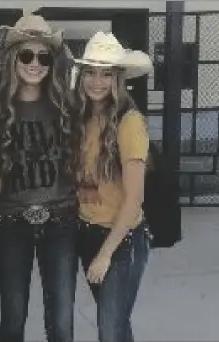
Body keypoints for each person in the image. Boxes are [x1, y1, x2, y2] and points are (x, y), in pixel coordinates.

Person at [0, 14, 78, 342]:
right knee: (13, 315)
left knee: (62, 319)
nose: (35, 64)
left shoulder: (68, 107)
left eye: (44, 56)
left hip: (62, 223)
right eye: (26, 55)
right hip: (10, 225)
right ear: (13, 60)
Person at [70, 31, 154, 342]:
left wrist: (105, 254)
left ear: (118, 79)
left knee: (109, 328)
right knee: (116, 325)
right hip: (87, 233)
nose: (97, 81)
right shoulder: (83, 118)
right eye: (91, 72)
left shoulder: (130, 122)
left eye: (107, 74)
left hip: (121, 242)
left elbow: (135, 198)